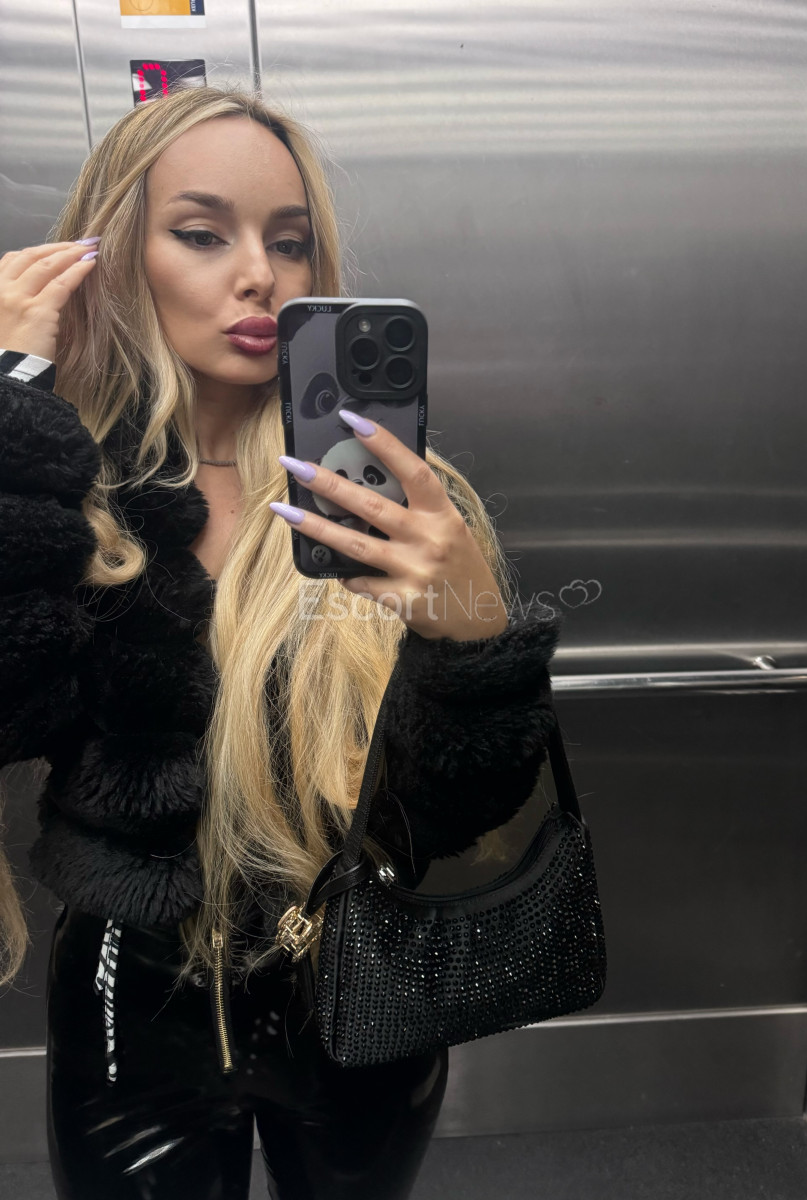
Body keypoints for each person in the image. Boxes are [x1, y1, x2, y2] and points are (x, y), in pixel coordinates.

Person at [0, 85, 561, 1199]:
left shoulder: (393, 503)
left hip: (364, 983)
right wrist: (14, 410)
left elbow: (459, 811)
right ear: (114, 258)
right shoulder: (68, 492)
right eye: (203, 234)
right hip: (134, 996)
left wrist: (471, 636)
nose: (261, 275)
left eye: (290, 241)